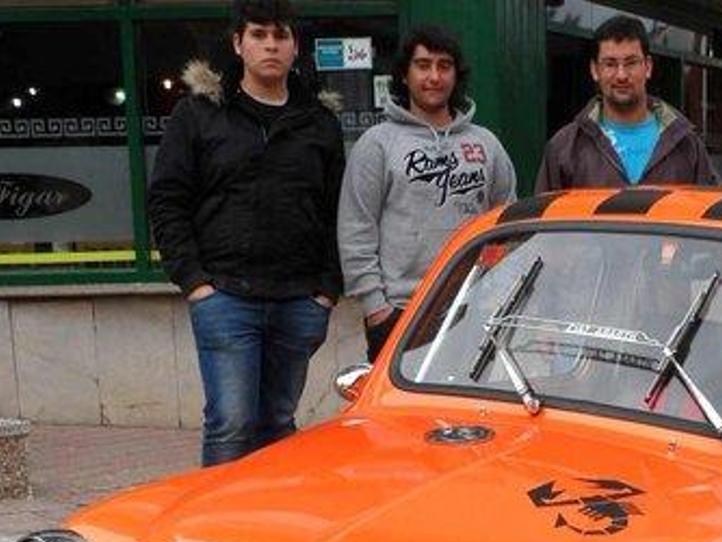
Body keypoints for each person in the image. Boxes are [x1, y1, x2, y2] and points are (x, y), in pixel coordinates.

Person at [147, 0, 344, 466]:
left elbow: (340, 211)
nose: (270, 45)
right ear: (238, 43)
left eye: (281, 35)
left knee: (279, 423)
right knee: (231, 424)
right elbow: (167, 199)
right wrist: (195, 283)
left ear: (295, 46)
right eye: (258, 34)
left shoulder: (319, 122)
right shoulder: (199, 114)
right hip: (225, 297)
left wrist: (327, 289)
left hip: (300, 300)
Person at [339, 25, 517, 362]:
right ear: (404, 75)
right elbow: (355, 229)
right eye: (423, 65)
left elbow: (507, 223)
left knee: (469, 414)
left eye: (444, 65)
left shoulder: (485, 144)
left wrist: (494, 293)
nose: (434, 76)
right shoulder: (377, 144)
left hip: (472, 306)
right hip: (401, 312)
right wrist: (376, 308)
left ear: (455, 74)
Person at [535, 15, 718, 192]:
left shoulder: (685, 143)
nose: (621, 75)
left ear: (647, 67)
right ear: (594, 70)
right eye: (610, 64)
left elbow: (712, 215)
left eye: (631, 63)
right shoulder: (565, 148)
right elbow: (544, 219)